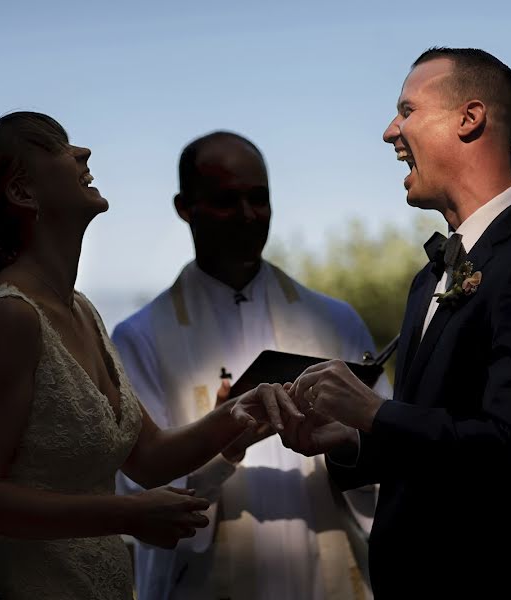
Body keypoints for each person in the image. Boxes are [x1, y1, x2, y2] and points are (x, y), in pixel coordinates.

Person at [235, 47, 511, 597]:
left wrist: (373, 411)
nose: (390, 131)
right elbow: (437, 435)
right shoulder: (429, 277)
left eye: (406, 110)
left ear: (469, 119)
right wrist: (349, 440)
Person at [0, 112, 294, 600]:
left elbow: (148, 459)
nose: (82, 153)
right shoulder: (10, 319)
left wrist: (240, 411)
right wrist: (127, 514)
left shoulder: (81, 311)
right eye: (57, 147)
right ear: (23, 192)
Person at [112, 131, 390, 600]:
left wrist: (346, 448)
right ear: (185, 207)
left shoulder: (334, 320)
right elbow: (138, 494)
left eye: (259, 199)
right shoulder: (140, 338)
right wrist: (224, 448)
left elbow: (390, 457)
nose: (247, 215)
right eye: (226, 200)